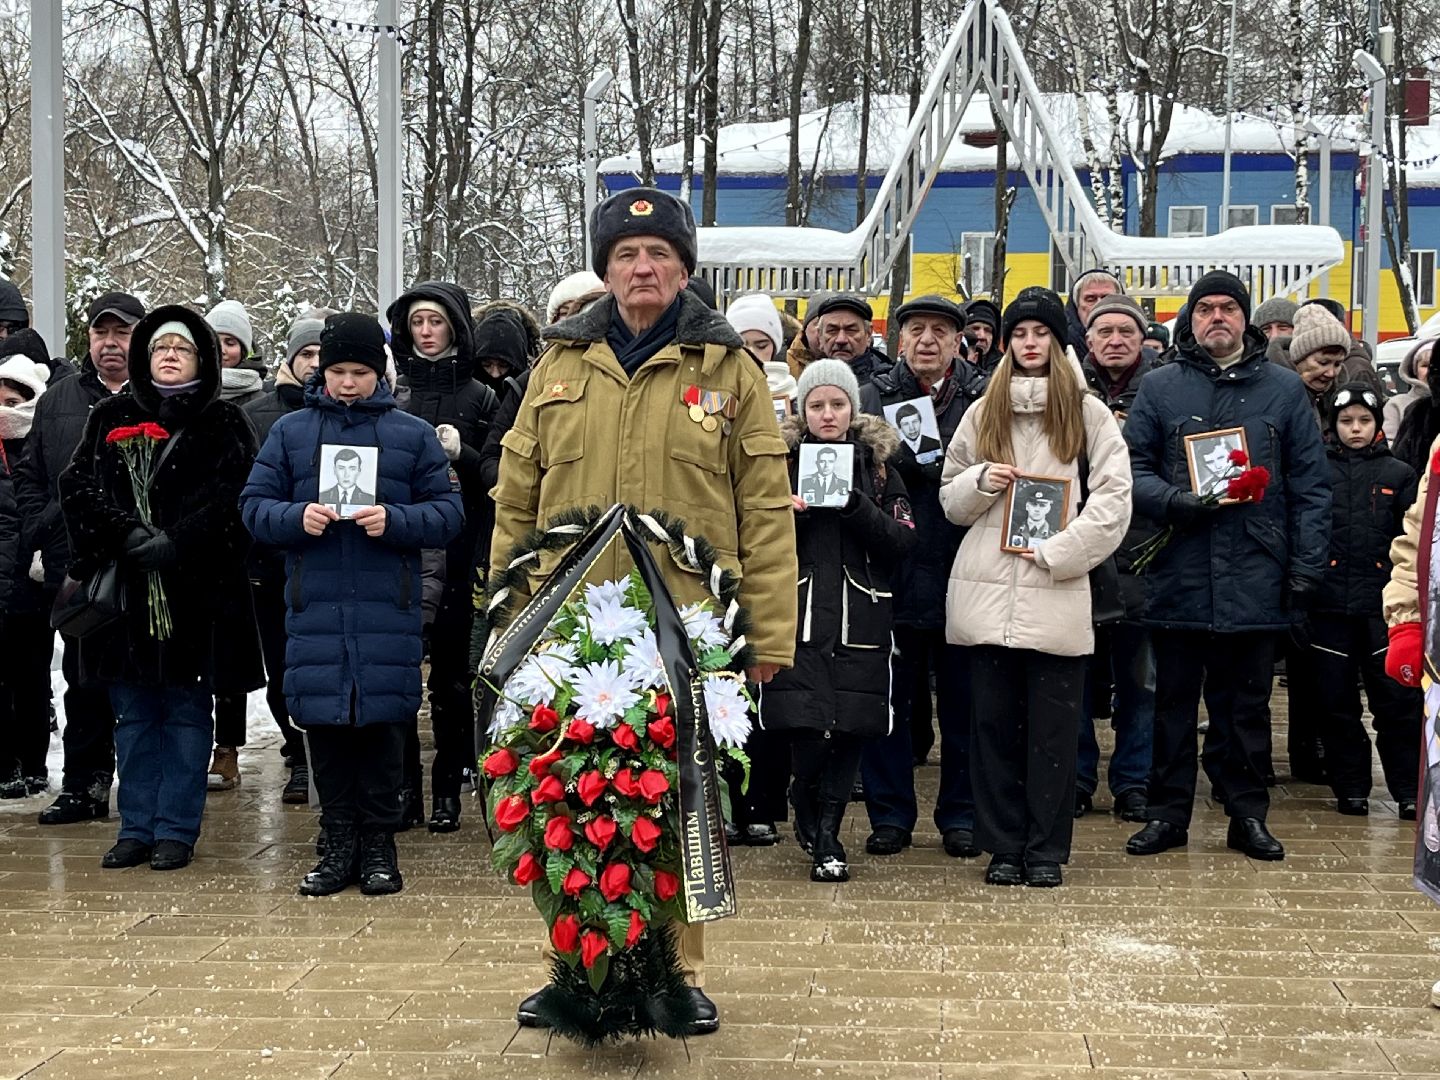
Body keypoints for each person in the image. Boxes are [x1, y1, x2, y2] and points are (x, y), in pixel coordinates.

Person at [490, 185, 797, 1036]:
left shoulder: (730, 370)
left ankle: (676, 972)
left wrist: (767, 633)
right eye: (626, 255)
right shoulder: (557, 366)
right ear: (605, 271)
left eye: (659, 253)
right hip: (567, 624)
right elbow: (516, 502)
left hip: (691, 623)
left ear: (685, 268)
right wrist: (504, 616)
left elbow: (764, 508)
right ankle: (572, 971)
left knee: (678, 802)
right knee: (564, 796)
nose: (642, 267)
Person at [241, 312, 462, 896]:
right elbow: (253, 506)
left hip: (387, 607)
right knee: (326, 730)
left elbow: (448, 513)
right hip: (314, 606)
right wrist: (296, 517)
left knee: (384, 729)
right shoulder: (290, 433)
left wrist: (395, 520)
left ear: (379, 372)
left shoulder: (410, 434)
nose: (346, 382)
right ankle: (337, 842)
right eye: (336, 369)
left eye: (360, 371)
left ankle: (380, 847)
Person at [1123, 270, 1330, 862]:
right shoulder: (1160, 388)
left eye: (1228, 309)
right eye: (1206, 308)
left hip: (1256, 571)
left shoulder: (1284, 390)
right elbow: (1131, 472)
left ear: (1246, 320)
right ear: (1190, 319)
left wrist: (1304, 570)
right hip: (1178, 569)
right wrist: (1176, 502)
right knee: (1172, 706)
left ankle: (1246, 814)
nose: (1217, 317)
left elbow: (1311, 487)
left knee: (1245, 706)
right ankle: (1167, 815)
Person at [939, 287, 1132, 888]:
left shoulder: (1088, 412)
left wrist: (1058, 553)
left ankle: (1046, 849)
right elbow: (949, 498)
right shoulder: (982, 411)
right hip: (986, 594)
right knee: (991, 729)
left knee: (1053, 734)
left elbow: (1114, 499)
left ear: (1058, 340)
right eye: (1019, 333)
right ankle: (1003, 846)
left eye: (1040, 333)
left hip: (1057, 590)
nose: (1029, 343)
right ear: (1006, 342)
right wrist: (980, 481)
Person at [59, 305, 263, 871]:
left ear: (202, 358)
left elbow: (236, 499)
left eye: (182, 348)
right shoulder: (111, 415)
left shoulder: (223, 421)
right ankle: (136, 827)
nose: (169, 356)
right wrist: (125, 532)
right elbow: (76, 486)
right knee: (133, 714)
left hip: (194, 597)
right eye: (160, 347)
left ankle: (176, 828)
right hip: (126, 595)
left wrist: (177, 541)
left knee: (186, 714)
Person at [764, 358, 915, 881]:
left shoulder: (879, 468)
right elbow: (752, 536)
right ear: (802, 410)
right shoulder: (778, 464)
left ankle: (829, 833)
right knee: (804, 723)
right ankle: (803, 795)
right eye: (817, 404)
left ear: (853, 408)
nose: (828, 414)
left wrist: (856, 506)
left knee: (851, 725)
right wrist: (781, 514)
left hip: (861, 619)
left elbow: (902, 541)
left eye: (838, 403)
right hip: (801, 614)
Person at [858, 294, 987, 855]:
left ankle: (960, 813)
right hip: (890, 571)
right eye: (916, 330)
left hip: (966, 568)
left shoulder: (983, 399)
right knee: (887, 702)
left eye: (941, 330)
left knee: (964, 703)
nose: (928, 340)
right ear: (899, 339)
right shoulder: (870, 398)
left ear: (959, 341)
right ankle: (890, 814)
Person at [19, 291, 145, 826]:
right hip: (77, 566)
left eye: (121, 333)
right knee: (83, 678)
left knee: (144, 682)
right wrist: (41, 527)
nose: (110, 343)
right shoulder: (58, 399)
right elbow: (29, 472)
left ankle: (146, 793)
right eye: (101, 333)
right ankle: (84, 785)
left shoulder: (159, 396)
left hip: (143, 565)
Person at [385, 280, 501, 833]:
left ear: (454, 326)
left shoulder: (480, 395)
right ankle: (405, 786)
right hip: (401, 544)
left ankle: (448, 787)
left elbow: (498, 471)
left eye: (435, 322)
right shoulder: (395, 391)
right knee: (403, 671)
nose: (426, 334)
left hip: (459, 547)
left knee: (453, 679)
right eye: (417, 324)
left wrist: (466, 451)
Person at [1291, 384, 1419, 817]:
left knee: (1397, 703)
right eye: (1347, 421)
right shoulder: (1316, 471)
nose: (1356, 429)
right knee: (1336, 704)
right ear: (1333, 424)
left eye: (1365, 420)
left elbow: (1413, 538)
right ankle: (1350, 787)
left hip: (1383, 608)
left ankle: (1408, 790)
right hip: (1328, 606)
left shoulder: (1398, 474)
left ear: (1378, 424)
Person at [1076, 293, 1159, 823]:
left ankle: (1133, 780)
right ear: (1088, 339)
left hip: (1145, 551)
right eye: (1104, 331)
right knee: (1077, 678)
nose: (1115, 340)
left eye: (1125, 331)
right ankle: (1077, 777)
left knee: (1141, 681)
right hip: (1078, 549)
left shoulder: (1162, 389)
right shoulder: (1066, 388)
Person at [241, 316, 322, 803]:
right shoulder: (257, 413)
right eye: (304, 355)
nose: (313, 364)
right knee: (282, 670)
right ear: (289, 359)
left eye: (320, 355)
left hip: (322, 565)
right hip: (269, 567)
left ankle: (318, 758)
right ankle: (296, 752)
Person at [0, 338, 53, 797]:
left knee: (32, 678)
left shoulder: (41, 443)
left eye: (13, 401)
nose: (5, 410)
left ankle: (34, 762)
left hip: (30, 583)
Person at [1287, 304, 1352, 428]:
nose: (1331, 373)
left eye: (1337, 364)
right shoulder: (1274, 398)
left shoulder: (1344, 400)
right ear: (1299, 359)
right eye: (1323, 363)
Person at [812, 294, 887, 385]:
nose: (841, 340)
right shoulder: (809, 382)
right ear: (820, 336)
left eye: (851, 330)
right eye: (832, 331)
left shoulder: (889, 384)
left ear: (868, 334)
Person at [1063, 269, 1122, 355]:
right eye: (1090, 299)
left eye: (1107, 298)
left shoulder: (1134, 344)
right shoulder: (1060, 347)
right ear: (1077, 306)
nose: (1099, 305)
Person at [1385, 338, 1433, 443]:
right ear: (1415, 370)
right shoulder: (1397, 404)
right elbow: (1387, 445)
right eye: (1425, 365)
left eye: (1436, 365)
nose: (1430, 371)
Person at [962, 298, 1003, 376]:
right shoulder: (946, 368)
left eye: (988, 330)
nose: (982, 336)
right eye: (975, 328)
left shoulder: (1005, 368)